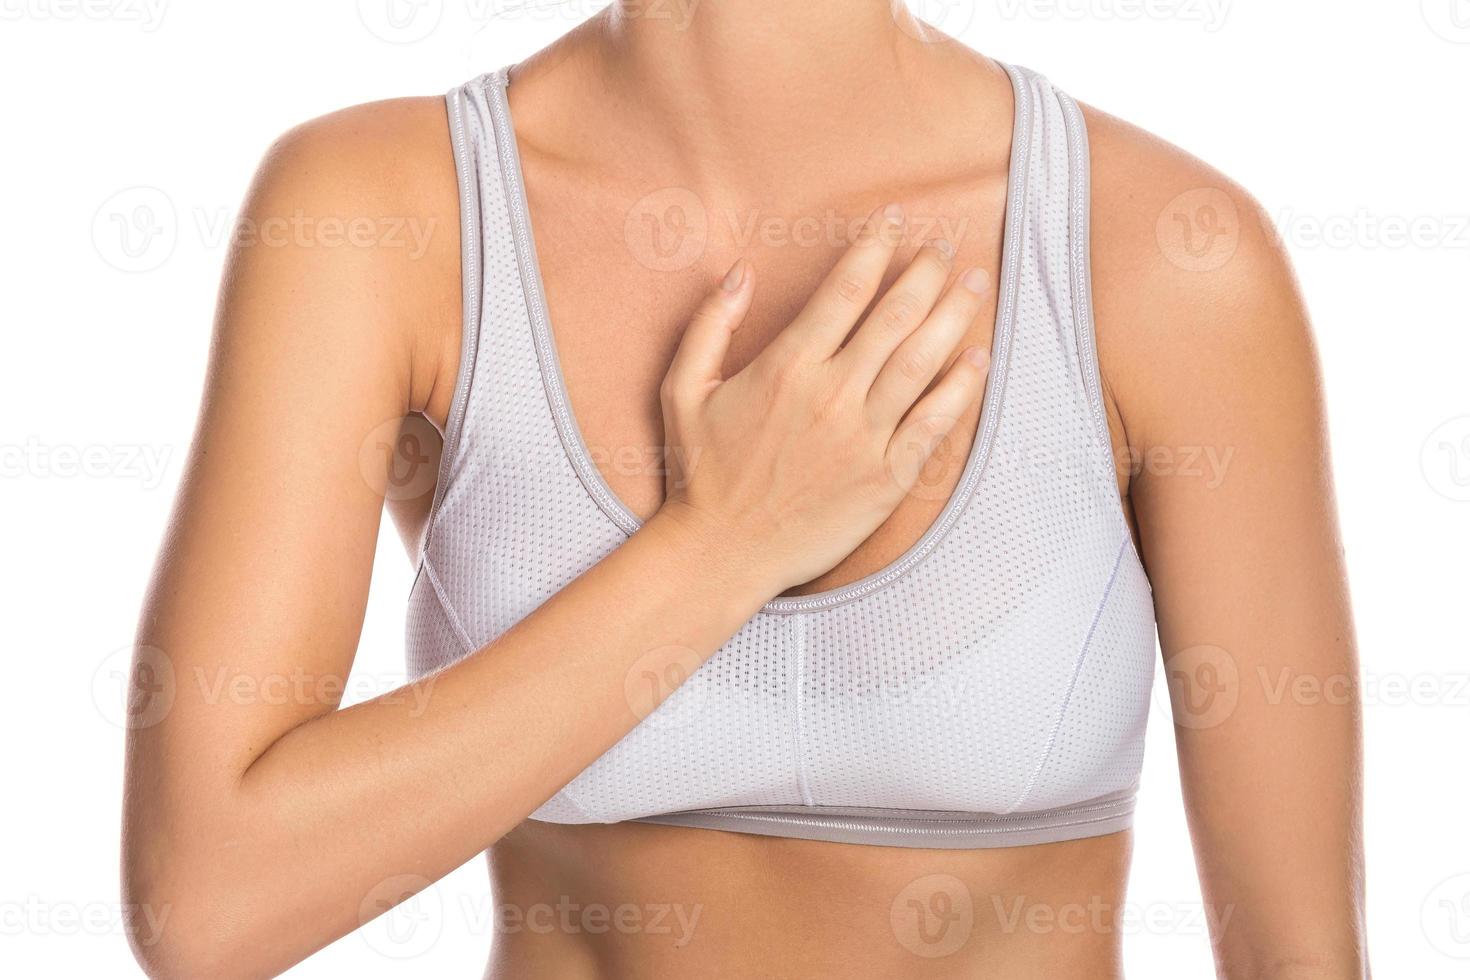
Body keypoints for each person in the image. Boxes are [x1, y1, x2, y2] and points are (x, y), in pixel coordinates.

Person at [122, 2, 1369, 977]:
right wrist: (721, 546)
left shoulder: (1163, 255)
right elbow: (209, 906)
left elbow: (1295, 956)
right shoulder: (379, 216)